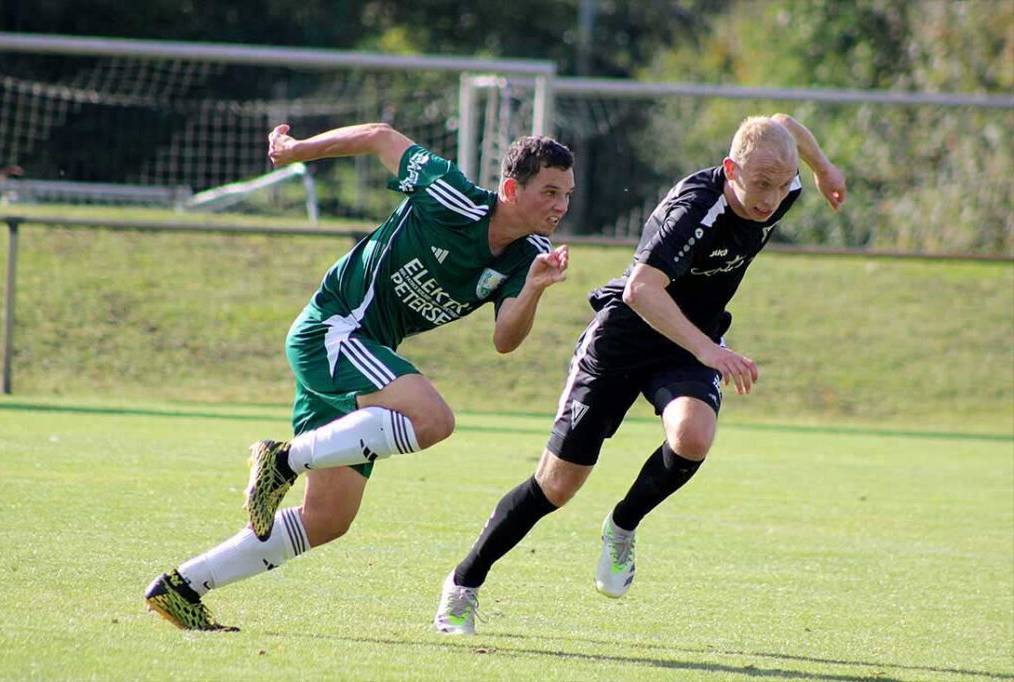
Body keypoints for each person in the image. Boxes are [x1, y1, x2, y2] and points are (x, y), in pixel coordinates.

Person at [145, 121, 575, 631]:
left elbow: (505, 340)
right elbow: (379, 135)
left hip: (361, 354)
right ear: (511, 188)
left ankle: (181, 588)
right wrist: (295, 150)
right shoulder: (450, 193)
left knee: (327, 519)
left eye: (567, 195)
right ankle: (282, 460)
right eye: (549, 191)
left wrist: (534, 290)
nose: (560, 206)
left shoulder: (527, 258)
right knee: (432, 419)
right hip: (334, 328)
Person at [434, 113, 846, 635]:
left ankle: (623, 525)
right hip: (624, 337)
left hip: (687, 345)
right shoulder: (693, 210)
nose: (770, 198)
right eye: (760, 183)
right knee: (556, 486)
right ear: (730, 170)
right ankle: (463, 584)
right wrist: (713, 352)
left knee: (694, 436)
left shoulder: (781, 185)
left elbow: (782, 123)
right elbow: (640, 291)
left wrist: (823, 170)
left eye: (782, 183)